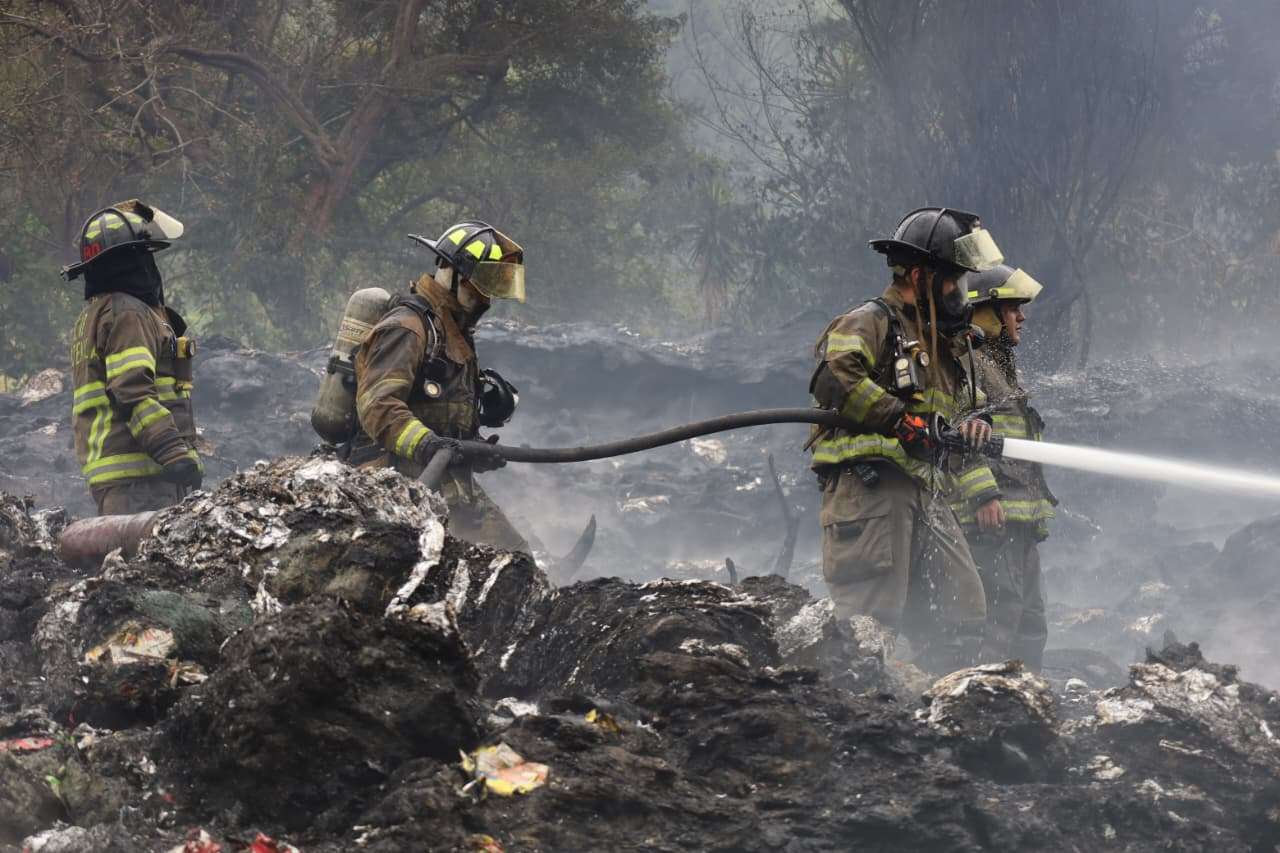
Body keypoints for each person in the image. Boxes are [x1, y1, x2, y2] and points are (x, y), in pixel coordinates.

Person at [808, 207, 1005, 672]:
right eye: (953, 281)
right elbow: (835, 377)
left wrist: (978, 425)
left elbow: (967, 405)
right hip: (873, 488)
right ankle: (863, 717)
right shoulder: (870, 321)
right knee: (871, 620)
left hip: (926, 490)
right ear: (919, 275)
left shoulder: (937, 343)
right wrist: (899, 421)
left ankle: (937, 712)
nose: (960, 293)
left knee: (963, 609)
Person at [346, 220, 527, 550]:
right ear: (454, 274)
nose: (487, 298)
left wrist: (476, 448)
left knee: (515, 556)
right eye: (482, 283)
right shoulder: (408, 328)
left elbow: (444, 416)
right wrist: (428, 445)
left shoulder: (453, 335)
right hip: (393, 479)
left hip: (446, 478)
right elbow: (378, 406)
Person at [63, 200, 202, 515]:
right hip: (143, 481)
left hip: (125, 480)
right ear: (131, 260)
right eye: (144, 256)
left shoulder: (94, 315)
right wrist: (174, 453)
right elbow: (132, 391)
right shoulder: (128, 313)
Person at [953, 264, 1057, 671]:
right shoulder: (968, 363)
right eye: (1013, 308)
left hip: (1020, 518)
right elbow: (956, 432)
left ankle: (1026, 701)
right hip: (994, 519)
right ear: (985, 312)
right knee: (1001, 618)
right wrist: (983, 494)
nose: (1022, 317)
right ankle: (985, 700)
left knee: (1032, 621)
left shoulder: (1002, 369)